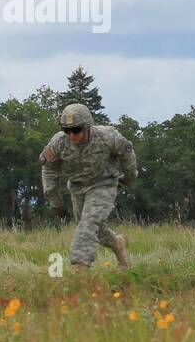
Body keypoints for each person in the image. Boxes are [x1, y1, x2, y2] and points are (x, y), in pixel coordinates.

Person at [39, 103, 136, 272]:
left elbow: (127, 152)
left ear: (86, 127)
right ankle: (118, 243)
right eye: (66, 130)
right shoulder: (58, 143)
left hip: (104, 183)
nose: (71, 135)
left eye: (75, 130)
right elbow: (48, 168)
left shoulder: (108, 137)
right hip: (77, 187)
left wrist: (128, 177)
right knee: (94, 228)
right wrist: (55, 202)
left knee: (89, 223)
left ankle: (81, 267)